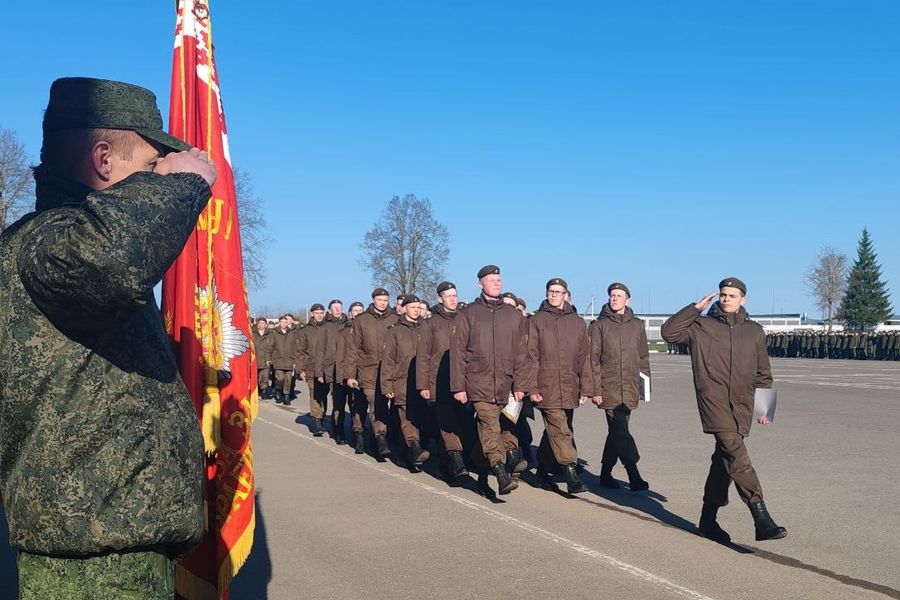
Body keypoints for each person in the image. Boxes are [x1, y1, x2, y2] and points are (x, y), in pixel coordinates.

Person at [0, 77, 216, 598]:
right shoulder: (46, 240)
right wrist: (180, 185)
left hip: (110, 549)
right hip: (92, 562)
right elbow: (111, 260)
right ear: (103, 159)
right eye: (150, 165)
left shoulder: (65, 239)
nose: (158, 174)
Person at [661, 278, 788, 543]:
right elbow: (669, 333)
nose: (726, 299)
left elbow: (763, 372)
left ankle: (708, 520)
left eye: (732, 295)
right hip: (714, 401)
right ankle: (761, 516)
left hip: (742, 404)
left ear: (743, 299)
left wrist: (766, 407)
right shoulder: (702, 326)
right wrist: (695, 309)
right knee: (736, 454)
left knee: (724, 461)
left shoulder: (754, 331)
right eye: (723, 294)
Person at [450, 265, 528, 495]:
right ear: (480, 284)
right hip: (478, 382)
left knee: (496, 430)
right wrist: (458, 387)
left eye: (499, 279)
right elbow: (458, 352)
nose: (496, 283)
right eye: (491, 279)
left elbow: (521, 353)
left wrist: (520, 385)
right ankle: (501, 472)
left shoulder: (512, 315)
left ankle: (482, 473)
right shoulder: (469, 314)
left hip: (506, 383)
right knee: (490, 425)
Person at [524, 278, 592, 494]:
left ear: (566, 295)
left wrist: (586, 387)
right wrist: (532, 388)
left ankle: (542, 473)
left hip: (570, 386)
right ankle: (571, 473)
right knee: (560, 429)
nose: (554, 295)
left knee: (556, 430)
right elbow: (530, 356)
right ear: (546, 294)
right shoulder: (537, 320)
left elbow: (584, 357)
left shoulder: (577, 323)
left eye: (558, 291)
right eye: (551, 291)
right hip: (547, 386)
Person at [589, 282, 651, 491]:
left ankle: (605, 474)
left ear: (627, 300)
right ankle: (634, 474)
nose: (614, 298)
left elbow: (643, 358)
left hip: (630, 387)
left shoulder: (637, 325)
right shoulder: (599, 325)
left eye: (619, 295)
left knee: (616, 432)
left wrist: (644, 387)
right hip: (609, 388)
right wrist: (595, 389)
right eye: (612, 295)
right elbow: (593, 359)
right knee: (620, 431)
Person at [417, 281, 471, 480]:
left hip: (463, 380)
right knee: (446, 422)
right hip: (439, 381)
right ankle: (455, 461)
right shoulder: (431, 323)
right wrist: (423, 384)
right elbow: (423, 356)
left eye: (455, 295)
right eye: (448, 296)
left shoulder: (465, 319)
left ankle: (445, 462)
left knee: (462, 423)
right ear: (440, 299)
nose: (453, 299)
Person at [347, 288, 398, 458]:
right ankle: (376, 437)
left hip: (388, 371)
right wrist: (350, 375)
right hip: (367, 369)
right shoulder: (362, 320)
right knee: (373, 403)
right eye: (380, 299)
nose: (382, 303)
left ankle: (376, 438)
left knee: (382, 405)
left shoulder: (395, 319)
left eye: (385, 300)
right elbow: (352, 349)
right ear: (373, 300)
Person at [382, 295, 431, 471]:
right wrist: (387, 384)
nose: (416, 310)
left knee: (421, 419)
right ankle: (415, 448)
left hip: (424, 382)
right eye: (412, 307)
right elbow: (388, 360)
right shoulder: (394, 331)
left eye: (418, 307)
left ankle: (407, 454)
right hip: (402, 382)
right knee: (407, 418)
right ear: (404, 309)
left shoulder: (426, 328)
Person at [299, 303, 330, 436]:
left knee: (323, 395)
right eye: (317, 313)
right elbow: (300, 351)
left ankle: (321, 416)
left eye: (321, 313)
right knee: (314, 394)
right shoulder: (305, 331)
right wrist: (301, 369)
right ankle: (317, 422)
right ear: (312, 314)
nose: (319, 315)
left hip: (326, 368)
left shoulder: (328, 328)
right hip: (311, 367)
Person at [324, 299, 350, 444]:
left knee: (353, 403)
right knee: (338, 403)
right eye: (335, 308)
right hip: (333, 370)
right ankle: (338, 430)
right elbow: (320, 350)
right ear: (330, 311)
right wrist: (320, 372)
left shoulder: (350, 325)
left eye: (340, 307)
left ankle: (356, 430)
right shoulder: (326, 327)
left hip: (350, 369)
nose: (338, 310)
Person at [266, 314, 299, 405]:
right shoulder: (274, 334)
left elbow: (296, 347)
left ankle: (286, 396)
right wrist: (268, 358)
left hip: (290, 360)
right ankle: (278, 391)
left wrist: (296, 360)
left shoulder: (292, 333)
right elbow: (270, 347)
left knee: (288, 379)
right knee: (279, 379)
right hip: (278, 360)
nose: (283, 323)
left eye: (285, 322)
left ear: (287, 323)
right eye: (282, 322)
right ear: (279, 323)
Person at [253, 317, 274, 399]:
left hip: (266, 360)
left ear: (266, 325)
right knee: (255, 377)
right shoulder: (253, 334)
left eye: (263, 323)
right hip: (255, 359)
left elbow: (273, 347)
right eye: (259, 323)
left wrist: (270, 359)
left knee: (264, 377)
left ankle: (264, 392)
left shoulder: (270, 335)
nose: (261, 325)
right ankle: (257, 390)